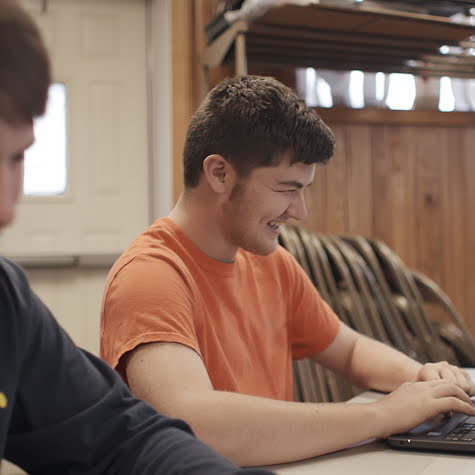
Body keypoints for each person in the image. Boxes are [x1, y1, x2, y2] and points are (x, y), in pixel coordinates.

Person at [100, 74, 475, 467]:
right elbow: (193, 422)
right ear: (219, 174)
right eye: (286, 189)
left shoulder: (270, 262)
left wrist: (424, 381)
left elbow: (348, 351)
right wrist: (382, 416)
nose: (300, 211)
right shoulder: (150, 276)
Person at [0, 2, 276, 474]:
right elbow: (194, 419)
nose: (7, 211)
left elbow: (120, 437)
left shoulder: (8, 308)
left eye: (16, 159)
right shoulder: (150, 276)